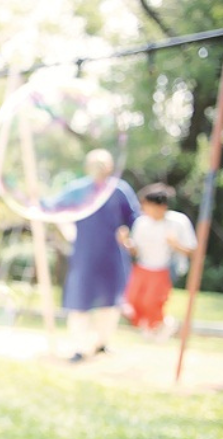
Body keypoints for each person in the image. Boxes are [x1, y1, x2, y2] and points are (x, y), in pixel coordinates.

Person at [60, 148, 141, 363]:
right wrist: (66, 230)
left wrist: (129, 235)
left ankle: (102, 343)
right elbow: (58, 209)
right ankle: (78, 347)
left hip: (112, 255)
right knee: (80, 301)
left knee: (110, 301)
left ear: (111, 166)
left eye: (103, 163)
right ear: (87, 166)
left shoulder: (119, 190)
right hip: (84, 254)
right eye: (95, 163)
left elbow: (134, 218)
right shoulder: (77, 190)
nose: (100, 168)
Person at [118, 183, 196, 341]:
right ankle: (161, 325)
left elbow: (192, 250)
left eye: (147, 206)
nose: (144, 209)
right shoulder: (142, 223)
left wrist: (175, 245)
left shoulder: (178, 222)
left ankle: (161, 325)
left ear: (161, 207)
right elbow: (135, 250)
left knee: (151, 302)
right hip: (142, 266)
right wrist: (125, 242)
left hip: (164, 268)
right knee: (131, 301)